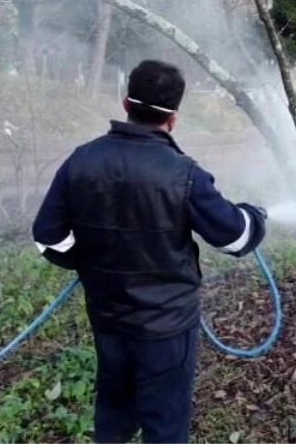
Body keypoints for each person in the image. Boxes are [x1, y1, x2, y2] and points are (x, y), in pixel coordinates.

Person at [32, 59, 267, 444]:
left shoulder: (82, 160)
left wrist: (91, 263)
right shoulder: (184, 174)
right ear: (173, 118)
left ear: (125, 103)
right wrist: (256, 215)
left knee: (113, 413)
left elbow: (49, 238)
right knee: (165, 425)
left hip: (108, 319)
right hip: (167, 328)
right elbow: (237, 239)